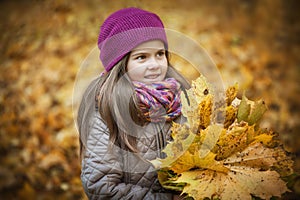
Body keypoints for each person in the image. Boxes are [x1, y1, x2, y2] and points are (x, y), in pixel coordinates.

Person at [77, 7, 190, 200]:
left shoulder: (180, 98)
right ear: (121, 64)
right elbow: (101, 186)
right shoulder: (106, 110)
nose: (154, 64)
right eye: (141, 57)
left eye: (160, 54)